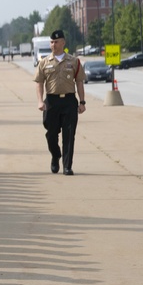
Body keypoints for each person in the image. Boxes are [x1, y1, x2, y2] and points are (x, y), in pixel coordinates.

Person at [34, 29, 86, 175]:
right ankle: (56, 156)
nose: (53, 44)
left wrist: (82, 102)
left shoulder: (74, 61)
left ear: (63, 42)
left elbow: (80, 82)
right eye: (51, 42)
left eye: (56, 42)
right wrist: (40, 101)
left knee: (69, 135)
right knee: (51, 135)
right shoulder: (44, 62)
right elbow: (38, 83)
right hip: (51, 102)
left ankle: (67, 166)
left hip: (69, 101)